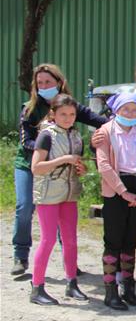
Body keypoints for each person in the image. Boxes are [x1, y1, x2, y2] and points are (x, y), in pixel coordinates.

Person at [12, 63, 105, 276]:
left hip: (62, 168)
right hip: (30, 164)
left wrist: (116, 127)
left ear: (59, 82)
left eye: (48, 82)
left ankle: (68, 261)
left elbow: (100, 121)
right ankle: (20, 255)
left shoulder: (69, 106)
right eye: (40, 83)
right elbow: (26, 141)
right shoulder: (29, 109)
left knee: (64, 211)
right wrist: (48, 149)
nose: (44, 86)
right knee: (25, 207)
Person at [94, 93, 136, 310]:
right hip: (115, 189)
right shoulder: (106, 132)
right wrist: (123, 192)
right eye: (125, 109)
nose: (130, 114)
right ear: (116, 110)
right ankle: (110, 291)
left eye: (134, 110)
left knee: (131, 240)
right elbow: (103, 165)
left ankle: (128, 288)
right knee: (113, 241)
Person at [28, 94, 88, 305]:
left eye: (72, 114)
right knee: (48, 240)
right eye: (63, 114)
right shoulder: (46, 135)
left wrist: (80, 168)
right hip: (48, 194)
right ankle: (37, 288)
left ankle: (72, 283)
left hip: (69, 194)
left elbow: (78, 165)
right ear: (53, 114)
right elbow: (36, 168)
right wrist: (63, 159)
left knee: (70, 240)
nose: (68, 118)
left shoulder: (76, 136)